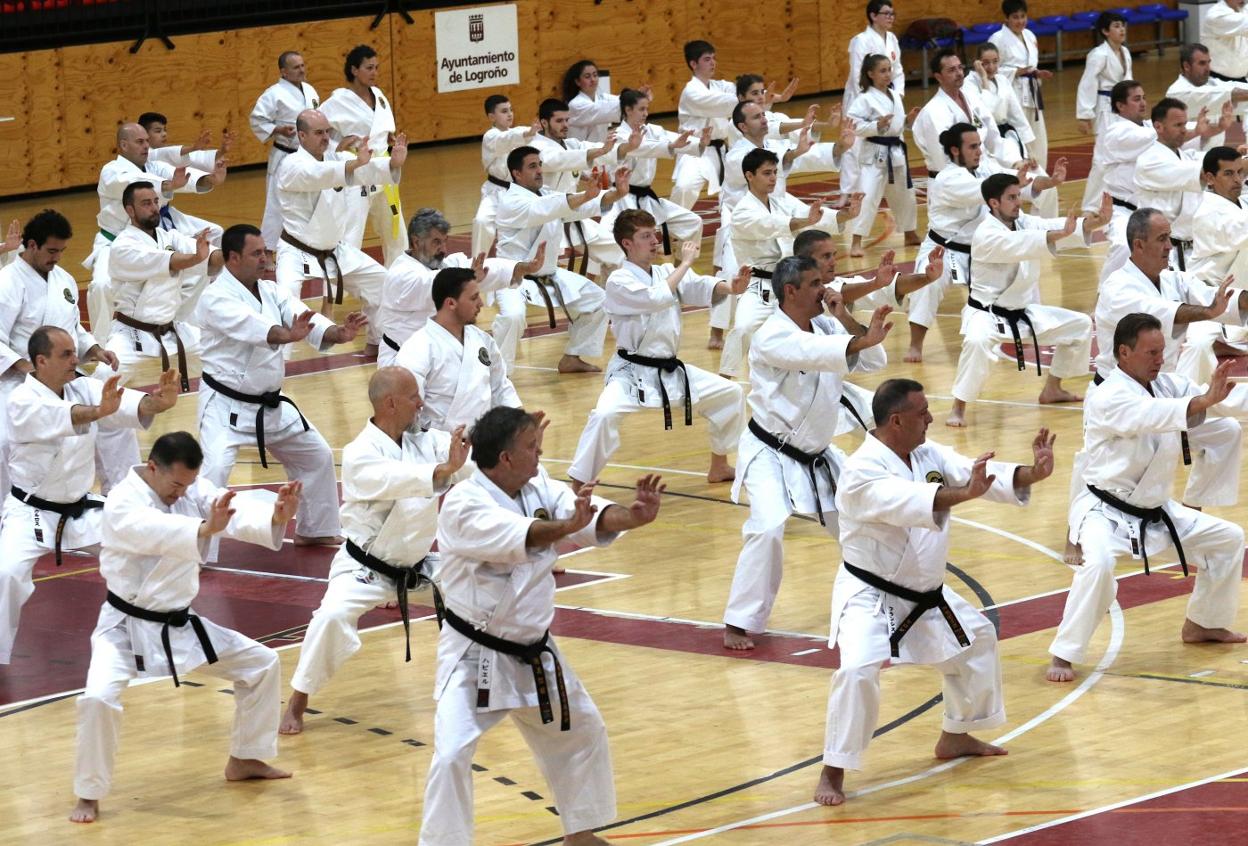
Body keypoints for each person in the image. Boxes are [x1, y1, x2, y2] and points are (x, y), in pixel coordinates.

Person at [419, 406, 664, 846]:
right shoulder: (463, 503)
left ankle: (581, 836)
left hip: (534, 648)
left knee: (582, 729)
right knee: (453, 752)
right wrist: (568, 526)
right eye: (531, 447)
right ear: (505, 458)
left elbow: (584, 513)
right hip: (475, 656)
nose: (541, 452)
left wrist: (632, 516)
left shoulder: (535, 485)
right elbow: (525, 536)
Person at [814, 378, 1054, 806]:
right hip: (869, 594)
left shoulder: (927, 453)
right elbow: (907, 499)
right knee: (857, 670)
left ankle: (955, 736)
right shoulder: (860, 471)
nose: (930, 418)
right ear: (896, 420)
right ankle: (833, 770)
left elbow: (974, 472)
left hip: (924, 591)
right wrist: (965, 494)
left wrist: (1032, 471)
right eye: (922, 412)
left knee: (978, 639)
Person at [69, 432, 302, 824]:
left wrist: (276, 515)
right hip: (123, 627)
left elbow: (225, 506)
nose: (183, 492)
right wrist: (205, 530)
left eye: (189, 484)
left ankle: (245, 758)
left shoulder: (187, 489)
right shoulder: (123, 501)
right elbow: (154, 531)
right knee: (97, 700)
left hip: (179, 621)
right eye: (176, 484)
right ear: (153, 467)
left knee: (262, 664)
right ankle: (88, 795)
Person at [1048, 314, 1248, 684]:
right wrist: (1203, 400)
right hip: (1103, 512)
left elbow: (1220, 401)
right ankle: (1064, 653)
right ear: (1124, 353)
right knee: (1099, 565)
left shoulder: (1167, 384)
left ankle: (1204, 624)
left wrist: (1216, 397)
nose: (1159, 359)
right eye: (1151, 352)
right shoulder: (1107, 396)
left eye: (1162, 351)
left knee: (1228, 539)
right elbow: (1153, 416)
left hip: (1156, 510)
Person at [279, 367, 473, 735]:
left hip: (417, 567)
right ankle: (297, 702)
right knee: (331, 617)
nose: (421, 403)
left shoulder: (426, 442)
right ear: (391, 403)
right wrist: (445, 468)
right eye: (414, 396)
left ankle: (483, 676)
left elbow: (467, 468)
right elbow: (399, 480)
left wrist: (488, 454)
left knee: (482, 591)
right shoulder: (359, 454)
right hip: (363, 568)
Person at [722, 256, 894, 650]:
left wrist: (847, 316)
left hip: (816, 453)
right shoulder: (772, 335)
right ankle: (739, 620)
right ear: (791, 291)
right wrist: (858, 336)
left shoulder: (827, 323)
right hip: (770, 451)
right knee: (766, 528)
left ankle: (888, 602)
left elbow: (871, 360)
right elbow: (812, 352)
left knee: (859, 524)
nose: (825, 288)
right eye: (816, 283)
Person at [0, 328, 178, 666]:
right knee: (6, 574)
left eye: (74, 353)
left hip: (81, 508)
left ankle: (149, 638)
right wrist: (98, 412)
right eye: (66, 355)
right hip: (30, 513)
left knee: (146, 550)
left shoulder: (82, 386)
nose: (75, 360)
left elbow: (125, 401)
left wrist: (158, 402)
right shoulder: (21, 400)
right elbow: (65, 417)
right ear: (41, 361)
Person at [195, 224, 365, 550]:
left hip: (271, 404)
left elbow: (301, 316)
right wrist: (288, 335)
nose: (265, 259)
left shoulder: (271, 290)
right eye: (256, 253)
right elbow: (254, 326)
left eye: (266, 252)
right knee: (211, 473)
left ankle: (315, 529)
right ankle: (196, 548)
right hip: (225, 407)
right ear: (232, 258)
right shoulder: (215, 298)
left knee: (316, 456)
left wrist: (335, 333)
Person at [567, 210, 749, 492]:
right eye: (645, 236)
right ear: (627, 243)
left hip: (669, 369)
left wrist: (730, 287)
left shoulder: (664, 272)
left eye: (655, 234)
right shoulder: (618, 281)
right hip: (631, 373)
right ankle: (578, 484)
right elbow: (655, 298)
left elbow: (700, 286)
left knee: (730, 394)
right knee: (604, 415)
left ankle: (719, 465)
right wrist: (686, 261)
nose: (654, 241)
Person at [947, 174, 1107, 427]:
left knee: (1080, 325)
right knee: (977, 342)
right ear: (994, 203)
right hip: (986, 314)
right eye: (1011, 197)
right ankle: (958, 407)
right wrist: (1059, 234)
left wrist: (1087, 224)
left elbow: (1045, 225)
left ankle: (1052, 389)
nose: (1018, 202)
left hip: (1021, 312)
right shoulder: (986, 234)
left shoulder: (1020, 221)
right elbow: (1022, 244)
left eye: (1018, 196)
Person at [907, 123, 1063, 363]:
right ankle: (915, 345)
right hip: (945, 248)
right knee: (927, 284)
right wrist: (1017, 181)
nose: (979, 151)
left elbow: (1018, 184)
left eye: (979, 145)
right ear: (955, 150)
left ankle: (1028, 331)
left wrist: (1049, 181)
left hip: (983, 249)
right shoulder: (947, 179)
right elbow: (987, 189)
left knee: (1021, 277)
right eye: (972, 146)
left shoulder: (985, 167)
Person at [0, 211, 123, 498]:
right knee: (5, 442)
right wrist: (29, 367)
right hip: (18, 381)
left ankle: (116, 498)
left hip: (61, 376)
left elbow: (73, 327)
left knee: (111, 425)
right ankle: (6, 515)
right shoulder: (7, 282)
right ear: (31, 245)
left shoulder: (63, 279)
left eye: (62, 251)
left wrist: (94, 349)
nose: (57, 257)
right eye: (52, 250)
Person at [718, 148, 860, 379]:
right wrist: (805, 220)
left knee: (822, 319)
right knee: (743, 328)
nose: (773, 178)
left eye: (775, 172)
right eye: (766, 173)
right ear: (749, 176)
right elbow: (771, 224)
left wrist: (846, 215)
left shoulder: (781, 201)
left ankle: (827, 371)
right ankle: (724, 379)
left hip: (791, 283)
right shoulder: (743, 211)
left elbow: (814, 215)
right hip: (759, 285)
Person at [276, 109, 403, 356]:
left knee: (383, 284)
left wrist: (392, 163)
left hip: (336, 250)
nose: (325, 137)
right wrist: (352, 164)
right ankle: (276, 366)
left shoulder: (335, 157)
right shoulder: (291, 165)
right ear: (302, 136)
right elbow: (319, 176)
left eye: (327, 132)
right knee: (283, 304)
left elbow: (363, 170)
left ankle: (377, 343)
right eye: (318, 132)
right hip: (296, 252)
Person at [86, 123, 224, 340]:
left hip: (150, 241)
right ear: (123, 145)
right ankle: (101, 345)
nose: (146, 146)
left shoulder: (153, 166)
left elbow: (182, 177)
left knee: (198, 270)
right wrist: (169, 185)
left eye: (147, 142)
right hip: (113, 244)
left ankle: (178, 324)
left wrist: (210, 178)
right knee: (101, 285)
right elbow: (135, 185)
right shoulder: (111, 170)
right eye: (140, 142)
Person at [493, 146, 623, 373]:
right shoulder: (511, 201)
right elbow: (545, 209)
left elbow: (579, 207)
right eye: (532, 166)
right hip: (512, 276)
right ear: (516, 173)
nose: (540, 170)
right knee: (513, 316)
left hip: (548, 273)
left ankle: (572, 357)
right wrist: (583, 195)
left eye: (540, 165)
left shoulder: (546, 194)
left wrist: (616, 193)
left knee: (599, 301)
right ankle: (498, 374)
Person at [376, 208, 535, 369]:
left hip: (438, 359)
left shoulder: (442, 265)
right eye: (436, 242)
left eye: (445, 241)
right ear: (416, 242)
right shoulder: (402, 275)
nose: (444, 249)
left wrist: (521, 267)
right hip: (401, 364)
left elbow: (483, 269)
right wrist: (468, 276)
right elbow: (436, 285)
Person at [105, 182, 224, 390]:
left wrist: (231, 251)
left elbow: (210, 260)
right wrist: (197, 256)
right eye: (146, 203)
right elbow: (171, 261)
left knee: (226, 358)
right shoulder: (122, 246)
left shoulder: (169, 237)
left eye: (155, 202)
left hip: (173, 329)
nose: (153, 208)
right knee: (103, 379)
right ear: (129, 210)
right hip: (132, 334)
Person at [395, 267, 521, 433]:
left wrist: (520, 423)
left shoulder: (482, 340)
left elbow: (500, 388)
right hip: (438, 448)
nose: (481, 303)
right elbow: (407, 408)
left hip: (484, 443)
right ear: (451, 303)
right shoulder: (418, 348)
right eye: (474, 298)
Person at [320, 44, 406, 267]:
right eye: (369, 67)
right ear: (354, 70)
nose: (375, 72)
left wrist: (389, 138)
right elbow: (314, 132)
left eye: (376, 67)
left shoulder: (379, 96)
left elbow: (382, 128)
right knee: (352, 232)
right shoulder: (336, 102)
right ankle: (343, 281)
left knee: (396, 231)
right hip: (357, 171)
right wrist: (337, 146)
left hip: (383, 168)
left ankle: (399, 277)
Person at [598, 89, 704, 268]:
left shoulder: (653, 131)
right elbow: (643, 148)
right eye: (641, 109)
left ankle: (681, 269)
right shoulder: (618, 136)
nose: (646, 114)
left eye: (647, 109)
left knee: (693, 222)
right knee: (605, 238)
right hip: (622, 198)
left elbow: (676, 141)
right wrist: (669, 146)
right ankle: (606, 281)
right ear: (628, 110)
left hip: (648, 198)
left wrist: (700, 143)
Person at [530, 97, 625, 277]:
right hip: (546, 220)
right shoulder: (536, 146)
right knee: (545, 274)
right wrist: (600, 151)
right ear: (544, 122)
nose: (565, 125)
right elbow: (557, 160)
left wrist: (626, 147)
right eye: (559, 121)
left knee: (615, 252)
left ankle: (613, 298)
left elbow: (581, 152)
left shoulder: (570, 144)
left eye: (567, 120)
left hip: (572, 213)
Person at [965, 43, 1058, 218]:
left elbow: (1017, 116)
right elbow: (986, 111)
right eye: (985, 63)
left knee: (1047, 185)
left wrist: (1029, 150)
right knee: (1008, 194)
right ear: (976, 62)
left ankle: (1045, 229)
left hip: (1010, 140)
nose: (991, 67)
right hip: (988, 145)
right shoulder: (969, 85)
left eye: (995, 62)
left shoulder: (1002, 80)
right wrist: (984, 79)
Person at [844, 53, 920, 257]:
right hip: (874, 155)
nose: (888, 74)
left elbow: (896, 125)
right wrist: (875, 125)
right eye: (882, 71)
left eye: (889, 70)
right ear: (870, 74)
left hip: (896, 152)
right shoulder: (864, 99)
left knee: (905, 195)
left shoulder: (894, 95)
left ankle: (910, 233)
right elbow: (853, 125)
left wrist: (906, 121)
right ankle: (856, 241)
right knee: (867, 197)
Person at [250, 51, 321, 253]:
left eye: (302, 65)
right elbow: (257, 119)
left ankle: (310, 247)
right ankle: (267, 251)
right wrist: (277, 130)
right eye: (296, 67)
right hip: (284, 155)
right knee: (276, 205)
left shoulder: (310, 90)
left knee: (311, 202)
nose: (302, 70)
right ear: (283, 71)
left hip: (308, 157)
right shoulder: (273, 93)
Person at [912, 50, 1010, 176]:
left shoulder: (972, 99)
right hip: (951, 182)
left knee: (1032, 181)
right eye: (952, 70)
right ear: (938, 77)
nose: (959, 73)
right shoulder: (932, 112)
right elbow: (942, 159)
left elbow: (993, 137)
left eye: (960, 68)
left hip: (981, 171)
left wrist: (1014, 162)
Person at [670, 40, 738, 209]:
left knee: (738, 189)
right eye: (707, 59)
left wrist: (762, 96)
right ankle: (671, 228)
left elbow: (740, 93)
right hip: (694, 150)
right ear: (693, 64)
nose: (713, 62)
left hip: (720, 149)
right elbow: (723, 104)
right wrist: (746, 99)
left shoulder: (722, 86)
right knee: (684, 188)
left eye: (714, 58)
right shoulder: (691, 92)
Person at [1075, 12, 1131, 211]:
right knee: (1101, 160)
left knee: (1123, 154)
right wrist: (1084, 114)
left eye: (1122, 25)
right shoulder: (1098, 54)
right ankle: (1090, 206)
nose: (1122, 29)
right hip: (1105, 109)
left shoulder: (1125, 52)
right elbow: (1087, 83)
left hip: (1122, 110)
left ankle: (1117, 198)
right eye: (1116, 26)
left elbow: (1129, 84)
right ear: (1105, 31)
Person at [471, 95, 539, 257]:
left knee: (529, 225)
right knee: (482, 221)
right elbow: (506, 140)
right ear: (491, 117)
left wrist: (532, 132)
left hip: (517, 192)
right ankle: (476, 264)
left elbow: (527, 138)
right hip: (495, 191)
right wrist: (527, 133)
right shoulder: (491, 136)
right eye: (504, 111)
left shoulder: (518, 132)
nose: (509, 114)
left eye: (511, 110)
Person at [989, 0, 1051, 172]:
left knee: (1038, 136)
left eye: (1023, 16)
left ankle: (1040, 177)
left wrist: (1036, 73)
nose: (1020, 21)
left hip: (1032, 91)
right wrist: (1016, 72)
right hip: (1012, 92)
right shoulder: (997, 39)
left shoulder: (1030, 36)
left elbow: (1031, 65)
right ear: (1006, 18)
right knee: (1018, 135)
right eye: (1015, 17)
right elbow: (991, 70)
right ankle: (1018, 178)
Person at [1167, 43, 1248, 150]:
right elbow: (1232, 94)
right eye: (1202, 63)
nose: (1208, 68)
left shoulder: (1211, 82)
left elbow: (1237, 87)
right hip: (1188, 157)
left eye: (1208, 62)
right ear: (1186, 66)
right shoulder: (1178, 92)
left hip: (1214, 155)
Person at [564, 59, 642, 144]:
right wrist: (635, 100)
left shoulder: (602, 97)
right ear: (578, 82)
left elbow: (618, 100)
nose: (593, 79)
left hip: (599, 150)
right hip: (579, 153)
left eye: (595, 75)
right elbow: (603, 110)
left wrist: (639, 97)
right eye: (587, 76)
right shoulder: (575, 105)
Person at [140, 113, 231, 174]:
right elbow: (162, 154)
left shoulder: (164, 153)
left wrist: (221, 152)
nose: (164, 134)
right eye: (158, 131)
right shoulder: (143, 155)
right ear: (144, 133)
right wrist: (192, 148)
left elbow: (194, 158)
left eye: (165, 130)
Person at [1203, 0, 1248, 84]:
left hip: (1242, 78)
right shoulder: (1216, 15)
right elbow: (1244, 24)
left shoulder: (1243, 9)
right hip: (1218, 80)